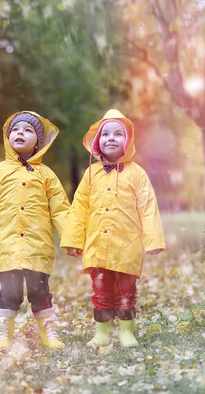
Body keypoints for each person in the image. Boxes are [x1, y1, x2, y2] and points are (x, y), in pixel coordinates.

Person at [0, 111, 70, 350]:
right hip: (7, 245)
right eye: (16, 129)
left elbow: (60, 209)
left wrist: (71, 239)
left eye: (28, 130)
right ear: (8, 137)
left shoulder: (46, 175)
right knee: (9, 293)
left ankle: (48, 333)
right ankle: (3, 334)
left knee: (39, 292)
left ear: (38, 142)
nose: (20, 133)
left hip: (38, 246)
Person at [60, 109, 165, 348]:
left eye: (118, 134)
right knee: (100, 290)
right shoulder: (90, 174)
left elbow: (148, 207)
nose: (110, 138)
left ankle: (126, 332)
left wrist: (153, 240)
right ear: (97, 142)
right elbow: (79, 209)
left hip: (127, 245)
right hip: (97, 245)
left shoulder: (137, 174)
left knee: (126, 290)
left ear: (127, 142)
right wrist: (74, 240)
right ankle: (102, 332)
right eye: (105, 134)